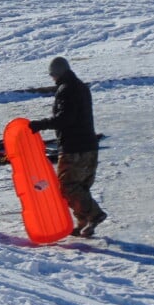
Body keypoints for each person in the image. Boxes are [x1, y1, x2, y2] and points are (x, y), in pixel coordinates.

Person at [28, 56, 106, 237]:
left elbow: (65, 119)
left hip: (74, 147)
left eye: (52, 75)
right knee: (81, 186)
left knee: (67, 186)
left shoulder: (66, 90)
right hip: (89, 145)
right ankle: (83, 222)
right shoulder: (81, 87)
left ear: (57, 74)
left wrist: (39, 125)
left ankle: (94, 215)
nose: (52, 79)